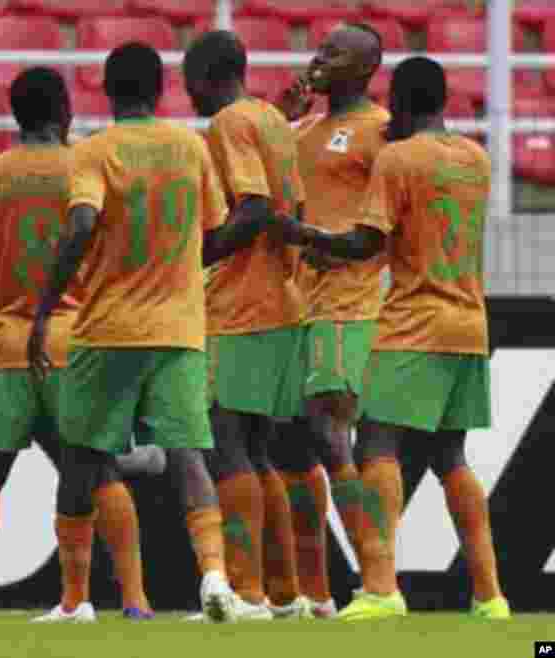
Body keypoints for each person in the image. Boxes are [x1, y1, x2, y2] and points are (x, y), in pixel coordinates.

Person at [29, 41, 240, 624]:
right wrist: (176, 268)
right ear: (162, 89)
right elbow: (216, 231)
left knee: (79, 458)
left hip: (109, 327)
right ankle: (215, 576)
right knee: (189, 455)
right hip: (179, 326)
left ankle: (75, 601)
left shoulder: (96, 151)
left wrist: (46, 307)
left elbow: (80, 224)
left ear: (105, 88)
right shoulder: (190, 147)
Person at [293, 56, 510, 621]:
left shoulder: (397, 159)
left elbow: (367, 242)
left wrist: (307, 239)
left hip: (415, 319)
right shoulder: (476, 159)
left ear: (403, 101)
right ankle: (491, 598)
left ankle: (381, 588)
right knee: (450, 456)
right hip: (469, 322)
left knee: (377, 446)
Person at [0, 67, 152, 622]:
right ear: (64, 110)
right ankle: (130, 598)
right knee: (99, 469)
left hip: (8, 344)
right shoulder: (88, 167)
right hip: (80, 342)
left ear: (15, 114)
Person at [183, 30, 310, 620]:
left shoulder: (230, 122)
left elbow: (254, 205)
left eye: (187, 78)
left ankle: (248, 592)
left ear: (208, 75)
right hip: (283, 299)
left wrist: (200, 256)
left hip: (241, 305)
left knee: (228, 444)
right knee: (258, 453)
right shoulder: (273, 120)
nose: (185, 92)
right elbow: (294, 208)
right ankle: (285, 595)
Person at [270, 22, 391, 617]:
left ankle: (378, 585)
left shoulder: (381, 132)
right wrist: (277, 117)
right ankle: (313, 597)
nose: (319, 58)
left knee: (328, 433)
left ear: (366, 67)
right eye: (318, 48)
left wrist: (321, 239)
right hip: (294, 302)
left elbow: (387, 224)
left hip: (350, 302)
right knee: (291, 447)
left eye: (334, 52)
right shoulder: (303, 129)